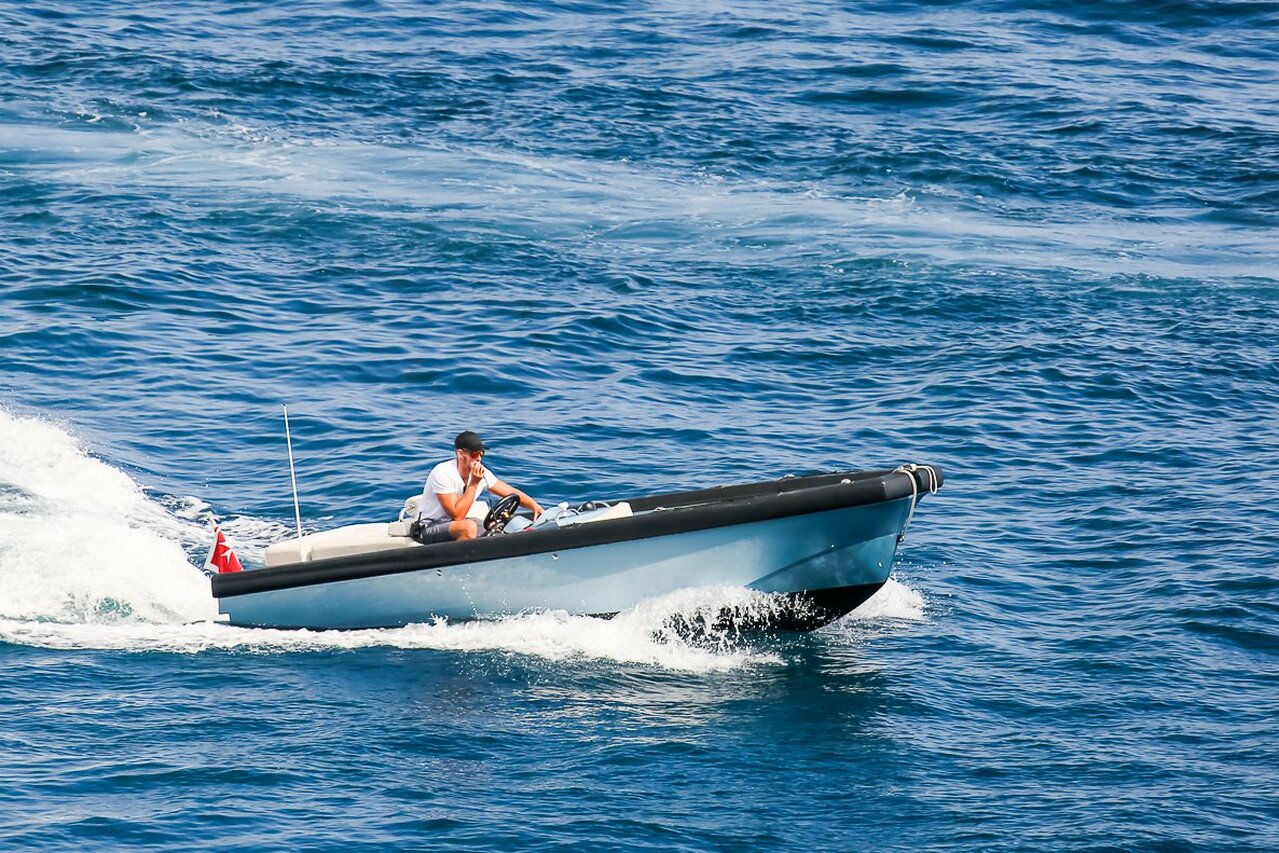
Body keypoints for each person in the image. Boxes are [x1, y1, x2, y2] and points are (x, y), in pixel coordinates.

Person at [412, 431, 544, 544]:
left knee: (498, 527)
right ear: (460, 454)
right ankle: (462, 570)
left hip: (454, 524)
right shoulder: (443, 473)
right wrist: (474, 483)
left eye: (482, 454)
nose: (479, 459)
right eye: (475, 455)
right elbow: (457, 515)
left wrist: (534, 506)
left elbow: (509, 492)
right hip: (427, 527)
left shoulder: (482, 473)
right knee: (468, 527)